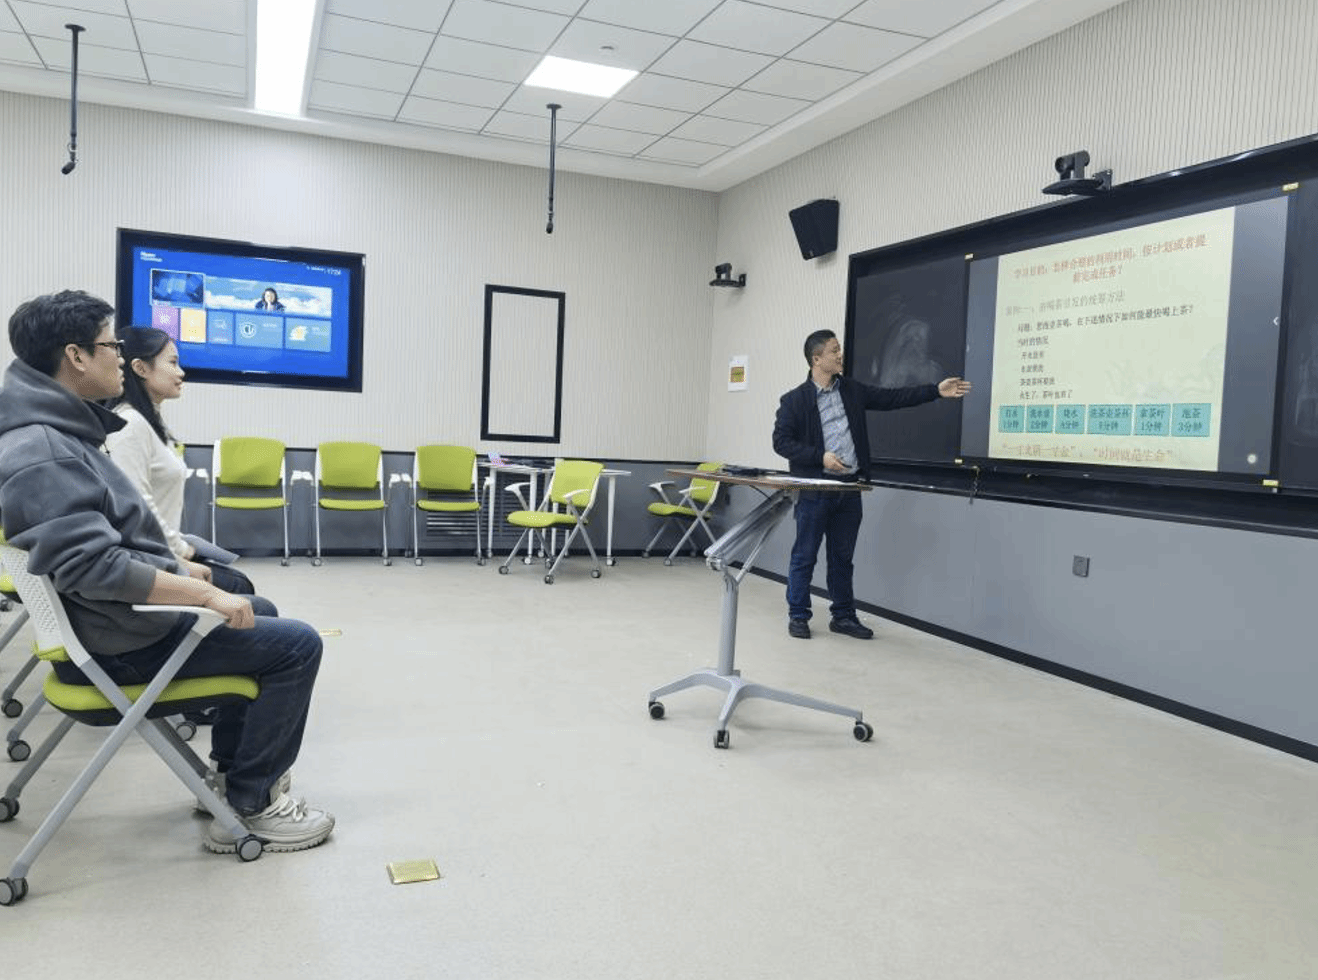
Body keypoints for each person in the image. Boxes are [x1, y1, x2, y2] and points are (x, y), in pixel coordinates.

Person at [0, 290, 333, 853]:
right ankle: (252, 807)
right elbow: (95, 566)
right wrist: (199, 594)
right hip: (119, 645)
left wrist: (176, 568)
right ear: (77, 356)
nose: (119, 356)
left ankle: (228, 780)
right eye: (111, 346)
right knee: (297, 645)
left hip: (112, 626)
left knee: (259, 612)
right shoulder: (45, 448)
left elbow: (107, 541)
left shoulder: (58, 431)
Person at [773, 329, 971, 640]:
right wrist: (819, 457)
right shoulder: (794, 400)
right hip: (816, 490)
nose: (840, 355)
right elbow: (781, 442)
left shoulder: (851, 390)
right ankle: (798, 616)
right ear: (816, 359)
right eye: (834, 350)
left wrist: (935, 390)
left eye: (839, 349)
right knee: (805, 556)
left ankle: (843, 617)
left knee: (842, 559)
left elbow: (892, 398)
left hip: (850, 490)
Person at [103, 325, 254, 596]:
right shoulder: (130, 424)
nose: (181, 372)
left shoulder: (150, 422)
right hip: (151, 559)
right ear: (140, 368)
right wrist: (182, 553)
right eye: (173, 363)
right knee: (240, 586)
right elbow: (138, 507)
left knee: (239, 583)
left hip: (161, 551)